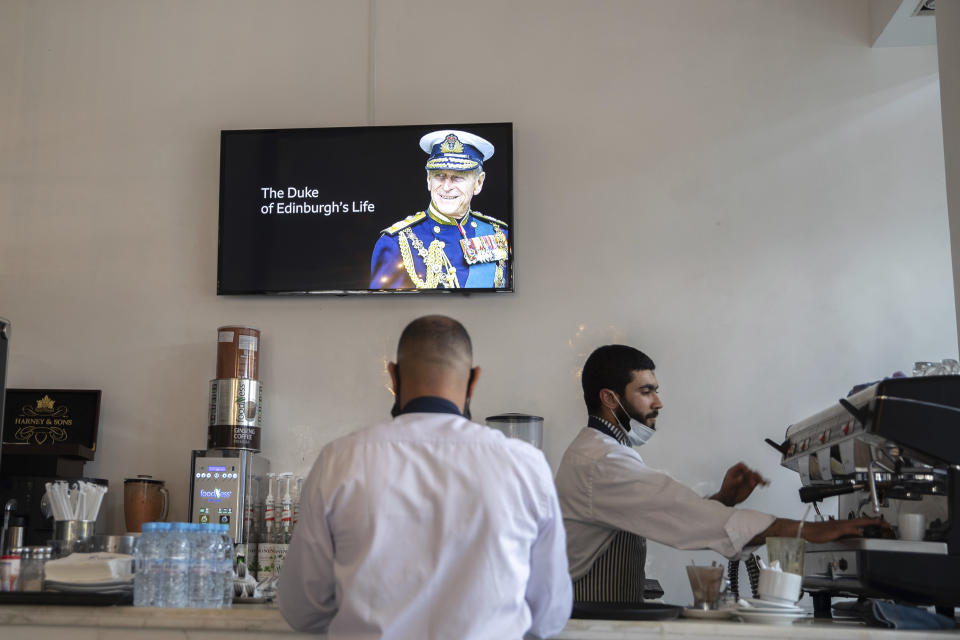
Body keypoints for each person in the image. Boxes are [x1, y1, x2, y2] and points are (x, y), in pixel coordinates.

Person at [279, 315, 571, 639]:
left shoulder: (341, 461)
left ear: (393, 375)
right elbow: (549, 615)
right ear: (473, 380)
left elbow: (302, 608)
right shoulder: (525, 466)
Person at [554, 344, 886, 604]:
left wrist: (723, 500)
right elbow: (684, 514)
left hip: (600, 616)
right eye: (646, 391)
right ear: (610, 398)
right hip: (588, 618)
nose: (659, 402)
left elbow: (674, 514)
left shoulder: (604, 454)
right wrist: (812, 531)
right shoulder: (601, 463)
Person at [369, 130, 510, 289]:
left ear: (478, 182)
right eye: (439, 175)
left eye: (458, 177)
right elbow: (383, 309)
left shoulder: (500, 235)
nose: (447, 187)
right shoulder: (396, 242)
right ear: (429, 180)